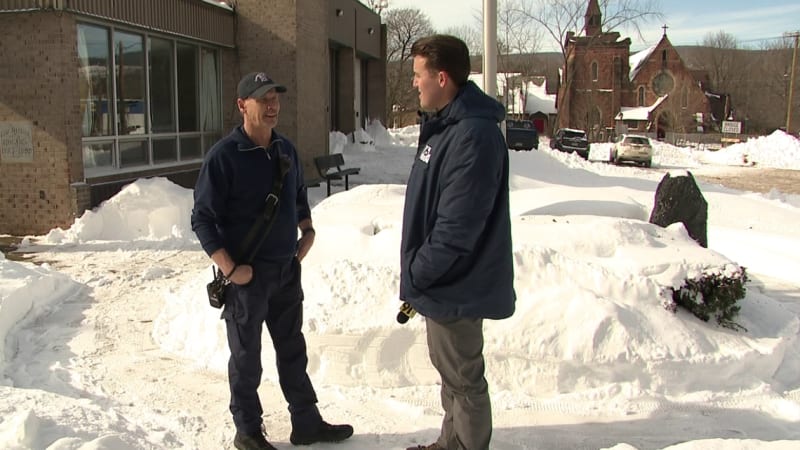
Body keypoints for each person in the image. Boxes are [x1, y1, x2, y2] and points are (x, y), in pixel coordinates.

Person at [191, 71, 353, 450]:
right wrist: (230, 268)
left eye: (275, 97)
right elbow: (202, 219)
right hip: (247, 278)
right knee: (247, 359)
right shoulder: (225, 157)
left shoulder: (286, 150)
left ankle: (306, 423)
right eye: (262, 98)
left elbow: (297, 195)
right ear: (241, 105)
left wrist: (307, 229)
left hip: (286, 271)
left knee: (293, 350)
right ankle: (247, 432)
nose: (272, 104)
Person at [399, 35, 516, 450]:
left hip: (455, 283)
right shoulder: (447, 127)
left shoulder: (473, 136)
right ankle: (450, 443)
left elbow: (456, 229)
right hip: (443, 282)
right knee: (452, 377)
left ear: (442, 77)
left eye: (418, 75)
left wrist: (418, 272)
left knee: (464, 381)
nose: (415, 83)